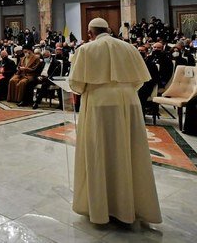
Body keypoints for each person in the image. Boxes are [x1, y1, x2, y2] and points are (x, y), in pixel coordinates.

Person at [69, 18, 161, 225]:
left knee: (99, 152)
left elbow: (77, 84)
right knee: (129, 150)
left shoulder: (86, 50)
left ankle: (102, 208)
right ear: (108, 30)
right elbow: (140, 80)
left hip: (98, 104)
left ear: (90, 32)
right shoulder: (129, 48)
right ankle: (131, 206)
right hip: (129, 103)